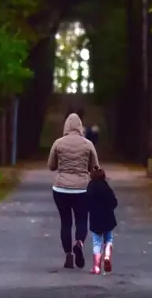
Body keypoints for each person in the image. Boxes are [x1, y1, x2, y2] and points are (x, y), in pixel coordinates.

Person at [48, 113, 99, 269]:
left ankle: (68, 255)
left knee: (66, 222)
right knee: (82, 220)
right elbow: (95, 168)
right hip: (82, 189)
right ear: (80, 126)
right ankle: (79, 243)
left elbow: (51, 166)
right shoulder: (88, 144)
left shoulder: (58, 143)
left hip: (60, 188)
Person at [86, 166, 117, 274]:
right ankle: (107, 255)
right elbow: (114, 202)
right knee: (109, 238)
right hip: (108, 217)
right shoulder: (106, 187)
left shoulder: (90, 187)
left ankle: (96, 266)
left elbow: (87, 203)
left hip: (95, 218)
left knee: (97, 242)